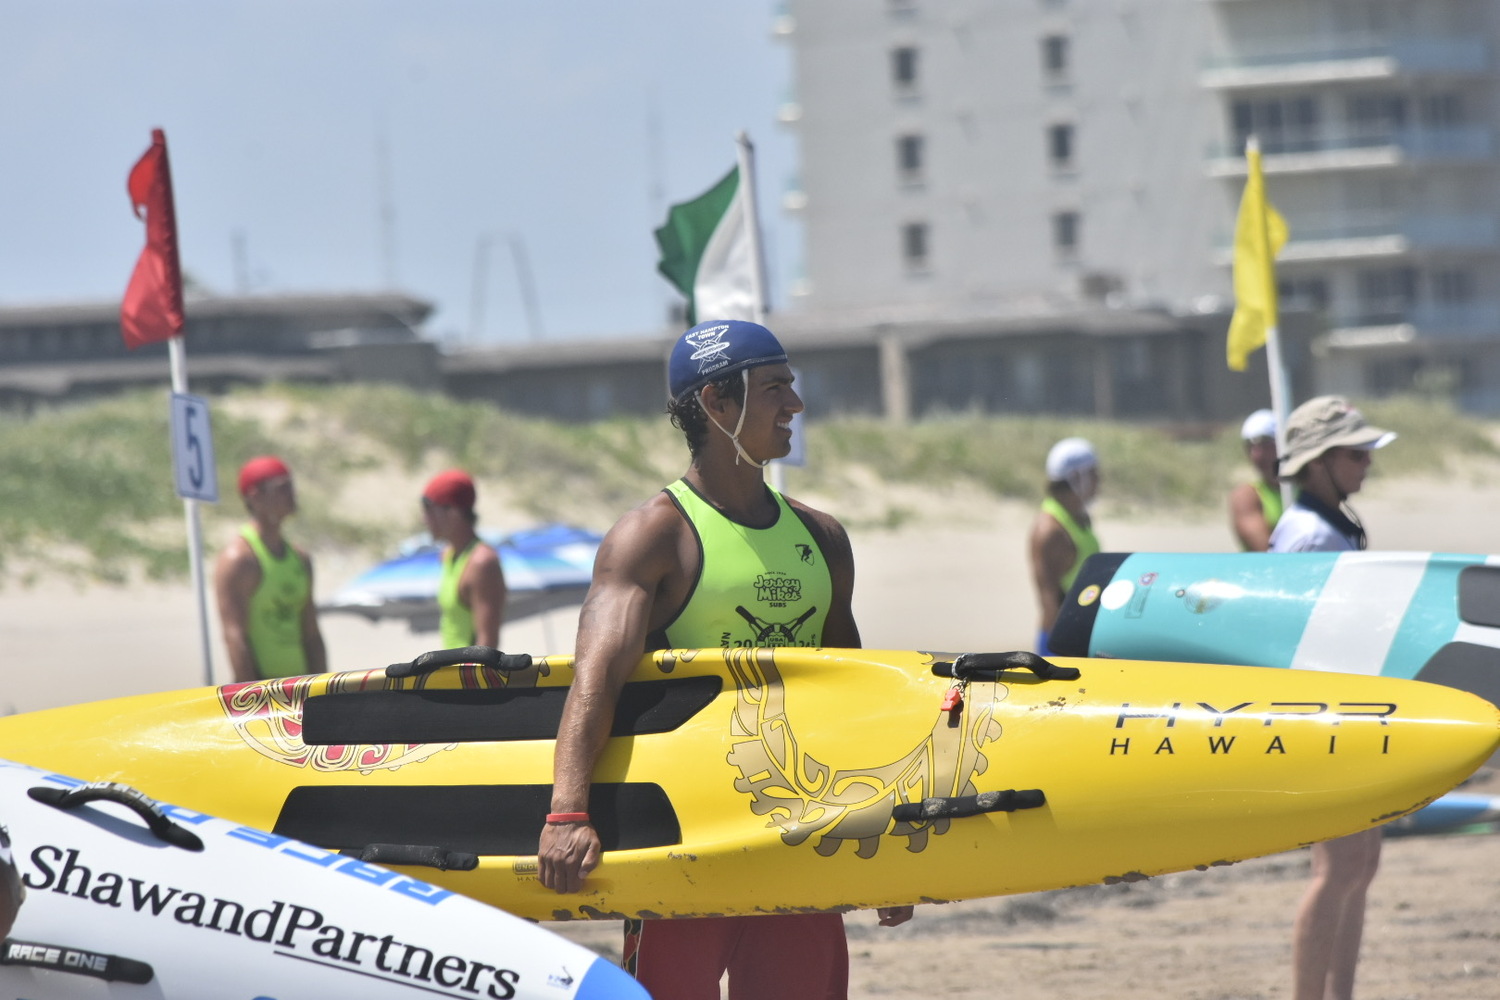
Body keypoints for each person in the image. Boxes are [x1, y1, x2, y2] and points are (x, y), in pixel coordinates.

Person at [537, 319, 911, 1000]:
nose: (795, 404)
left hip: (797, 836)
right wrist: (567, 812)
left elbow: (856, 703)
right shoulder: (655, 535)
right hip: (685, 839)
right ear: (717, 402)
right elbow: (595, 680)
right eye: (775, 388)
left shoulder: (822, 538)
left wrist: (881, 840)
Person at [1268, 395, 1396, 1000]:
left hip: (1350, 717)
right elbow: (1290, 640)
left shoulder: (1330, 525)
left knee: (1361, 866)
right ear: (1317, 462)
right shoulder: (1309, 537)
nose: (1368, 461)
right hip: (1322, 724)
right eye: (1356, 451)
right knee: (1338, 868)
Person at [214, 455, 327, 683]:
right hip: (264, 691)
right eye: (282, 488)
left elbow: (311, 632)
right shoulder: (240, 561)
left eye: (291, 486)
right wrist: (253, 697)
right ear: (255, 497)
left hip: (301, 687)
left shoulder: (300, 559)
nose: (292, 494)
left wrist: (324, 687)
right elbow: (234, 636)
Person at [1029, 437, 1100, 655]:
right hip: (1061, 642)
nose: (1100, 480)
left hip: (1082, 633)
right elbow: (1049, 602)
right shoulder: (1051, 531)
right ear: (1077, 477)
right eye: (1094, 473)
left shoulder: (1078, 517)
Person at [421, 469, 507, 649]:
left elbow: (488, 644)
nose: (424, 520)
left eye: (429, 509)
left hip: (469, 676)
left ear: (453, 512)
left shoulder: (482, 563)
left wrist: (468, 678)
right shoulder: (448, 555)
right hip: (450, 673)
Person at [1228, 408, 1283, 551]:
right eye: (1250, 446)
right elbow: (1267, 552)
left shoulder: (1306, 489)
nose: (1257, 454)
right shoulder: (1247, 496)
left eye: (1265, 444)